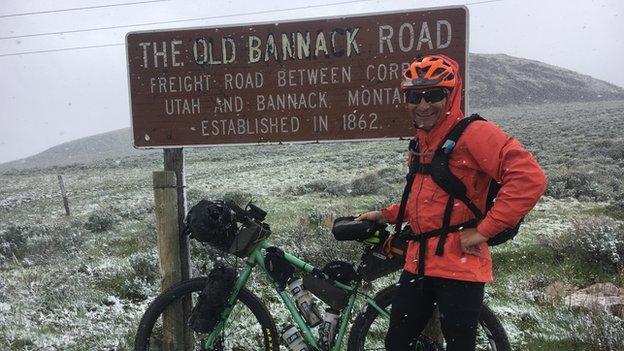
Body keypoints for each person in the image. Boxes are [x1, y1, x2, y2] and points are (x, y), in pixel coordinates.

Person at [356, 54, 547, 351]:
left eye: (433, 95)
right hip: (418, 262)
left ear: (451, 95)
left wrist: (486, 230)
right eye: (414, 96)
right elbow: (430, 200)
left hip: (461, 264)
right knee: (396, 342)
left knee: (459, 345)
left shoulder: (475, 134)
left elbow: (529, 178)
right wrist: (386, 214)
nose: (423, 105)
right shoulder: (422, 141)